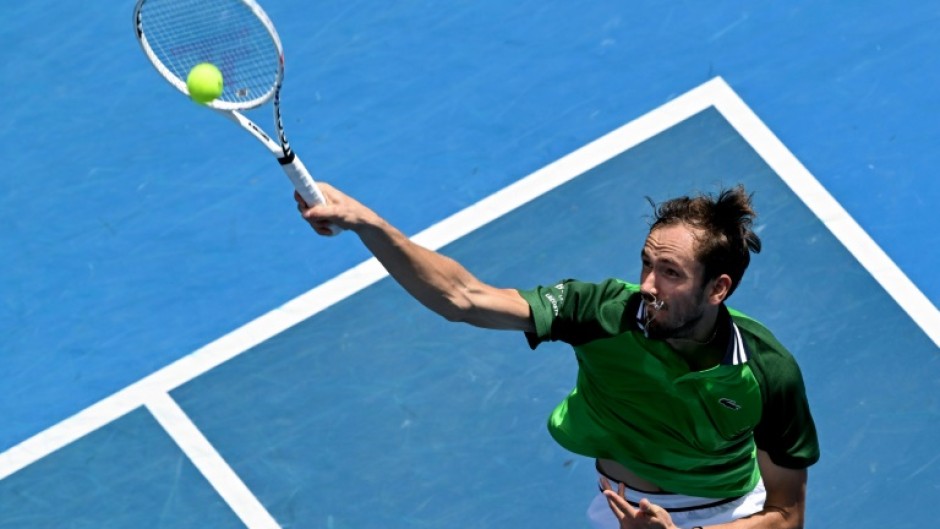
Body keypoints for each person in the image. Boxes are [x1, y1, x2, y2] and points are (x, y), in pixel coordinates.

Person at [295, 182, 820, 529]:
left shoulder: (765, 371)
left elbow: (786, 514)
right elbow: (464, 297)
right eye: (645, 263)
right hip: (622, 506)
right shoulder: (601, 311)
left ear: (718, 289)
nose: (647, 285)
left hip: (722, 516)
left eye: (671, 273)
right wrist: (368, 224)